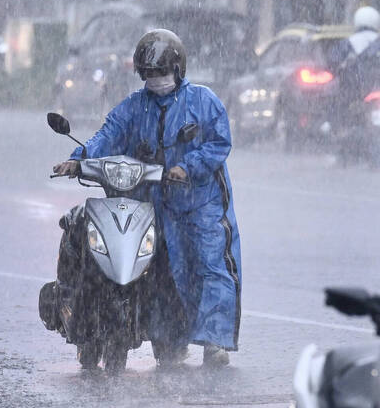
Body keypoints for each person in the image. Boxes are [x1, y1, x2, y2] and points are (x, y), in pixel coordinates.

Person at [53, 29, 242, 368]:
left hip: (201, 205)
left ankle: (215, 341)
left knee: (210, 268)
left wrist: (188, 167)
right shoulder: (134, 107)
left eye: (161, 73)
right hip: (155, 203)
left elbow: (218, 144)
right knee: (161, 273)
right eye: (149, 74)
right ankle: (169, 342)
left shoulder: (203, 102)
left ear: (178, 69)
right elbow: (108, 135)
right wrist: (79, 159)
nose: (156, 80)